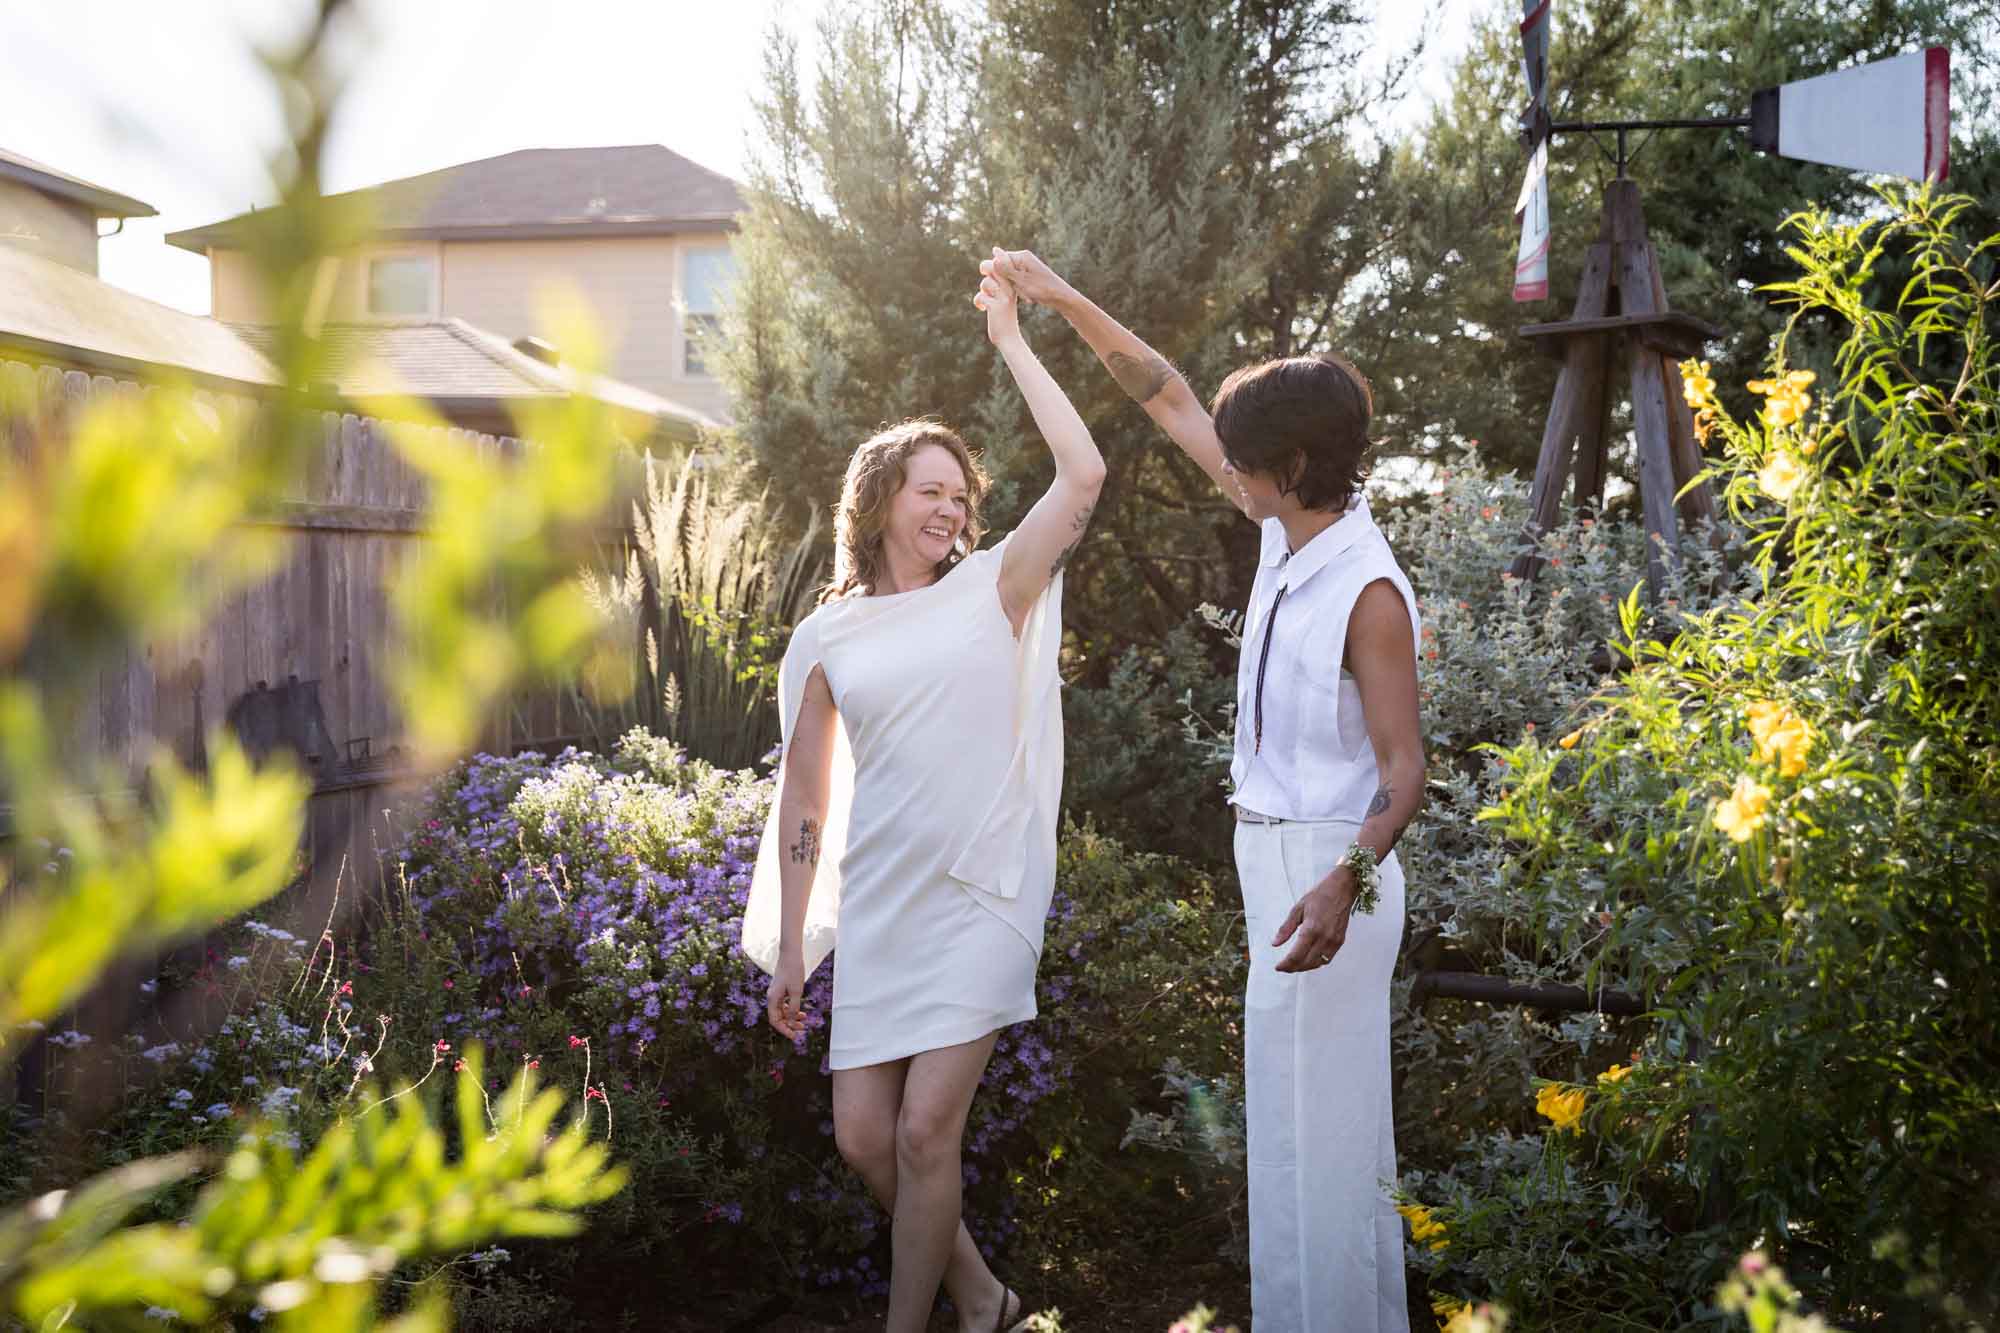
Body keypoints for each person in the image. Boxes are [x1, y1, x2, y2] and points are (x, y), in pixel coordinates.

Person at [986, 249, 1425, 1332]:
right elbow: (1166, 391)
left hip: (1332, 868)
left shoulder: (1365, 587)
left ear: (1297, 462)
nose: (1224, 466)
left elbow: (1404, 770)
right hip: (1273, 858)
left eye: (1245, 460)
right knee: (1291, 1144)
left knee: (1319, 1151)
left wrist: (1340, 885)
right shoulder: (1283, 527)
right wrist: (1057, 296)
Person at [741, 258, 1100, 1333]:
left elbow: (1079, 474)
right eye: (929, 490)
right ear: (880, 499)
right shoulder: (827, 636)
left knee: (922, 1132)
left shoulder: (994, 586)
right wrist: (798, 943)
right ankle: (980, 1295)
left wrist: (1014, 343)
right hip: (885, 902)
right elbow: (802, 800)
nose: (949, 508)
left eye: (960, 493)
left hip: (981, 893)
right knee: (862, 1135)